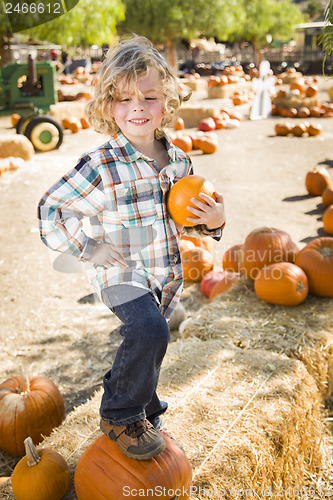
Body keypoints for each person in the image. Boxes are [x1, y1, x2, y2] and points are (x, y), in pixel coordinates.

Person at [37, 36, 225, 460]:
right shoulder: (100, 163)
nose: (137, 108)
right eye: (123, 99)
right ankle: (120, 413)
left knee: (152, 339)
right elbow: (50, 210)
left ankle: (145, 405)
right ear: (107, 106)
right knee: (149, 330)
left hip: (163, 271)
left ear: (168, 102)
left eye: (149, 97)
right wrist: (89, 248)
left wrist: (214, 222)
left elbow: (188, 218)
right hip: (120, 272)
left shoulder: (179, 162)